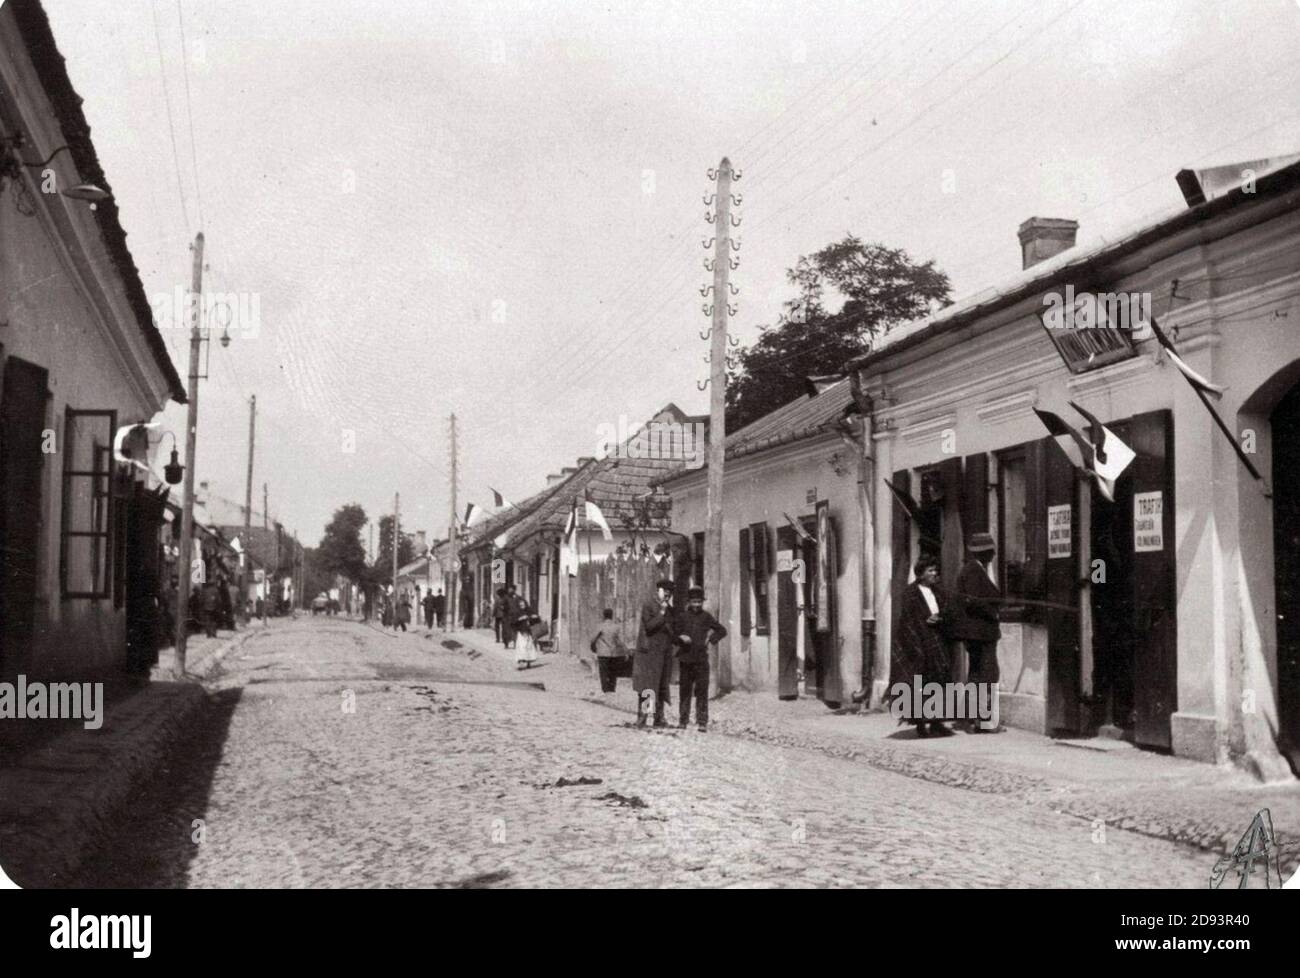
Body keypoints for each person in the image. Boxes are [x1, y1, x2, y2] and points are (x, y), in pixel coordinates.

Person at [889, 556, 954, 738]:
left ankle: (936, 722)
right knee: (919, 684)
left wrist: (940, 618)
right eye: (930, 571)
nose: (934, 574)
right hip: (919, 644)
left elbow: (947, 610)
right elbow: (907, 621)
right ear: (921, 574)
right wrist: (924, 622)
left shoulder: (938, 592)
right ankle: (919, 724)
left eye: (935, 570)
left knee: (939, 681)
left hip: (937, 641)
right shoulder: (911, 594)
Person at [950, 532, 1003, 733]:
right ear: (984, 553)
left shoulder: (976, 569)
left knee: (977, 674)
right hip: (981, 632)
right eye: (991, 551)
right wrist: (993, 613)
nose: (994, 554)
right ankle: (984, 721)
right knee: (988, 673)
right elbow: (973, 600)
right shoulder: (973, 571)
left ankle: (970, 719)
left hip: (978, 633)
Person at [675, 586, 727, 731]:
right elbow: (674, 635)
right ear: (689, 602)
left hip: (701, 660)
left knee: (702, 691)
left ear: (702, 602)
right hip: (685, 658)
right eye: (694, 602)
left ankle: (702, 722)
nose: (697, 605)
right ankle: (683, 721)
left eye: (699, 602)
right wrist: (680, 638)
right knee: (684, 691)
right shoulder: (682, 617)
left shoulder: (706, 616)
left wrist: (711, 639)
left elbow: (722, 630)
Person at [634, 578, 677, 728]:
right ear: (657, 591)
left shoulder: (671, 610)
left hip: (664, 652)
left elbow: (672, 630)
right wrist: (662, 612)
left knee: (662, 685)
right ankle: (643, 718)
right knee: (648, 686)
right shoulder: (649, 606)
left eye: (670, 593)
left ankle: (659, 718)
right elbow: (649, 626)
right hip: (649, 653)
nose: (667, 595)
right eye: (665, 592)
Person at [590, 608, 630, 693]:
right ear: (612, 616)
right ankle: (612, 689)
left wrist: (594, 649)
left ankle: (605, 690)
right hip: (614, 654)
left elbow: (593, 639)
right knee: (613, 672)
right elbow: (620, 641)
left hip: (603, 653)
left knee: (603, 672)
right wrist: (625, 651)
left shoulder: (600, 626)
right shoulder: (616, 627)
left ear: (604, 616)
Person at [514, 596, 539, 669]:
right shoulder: (517, 612)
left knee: (529, 647)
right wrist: (520, 618)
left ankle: (528, 662)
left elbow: (536, 620)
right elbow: (513, 622)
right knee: (521, 647)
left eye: (523, 605)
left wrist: (535, 617)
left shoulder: (529, 611)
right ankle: (521, 663)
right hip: (521, 632)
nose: (522, 606)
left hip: (529, 632)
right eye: (521, 605)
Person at [501, 584, 522, 649]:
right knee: (506, 631)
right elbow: (501, 605)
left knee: (515, 631)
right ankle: (506, 644)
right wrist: (504, 608)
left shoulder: (518, 597)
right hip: (506, 617)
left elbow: (521, 605)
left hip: (515, 617)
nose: (510, 590)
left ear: (514, 590)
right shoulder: (505, 597)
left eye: (511, 589)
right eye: (509, 589)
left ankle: (515, 643)